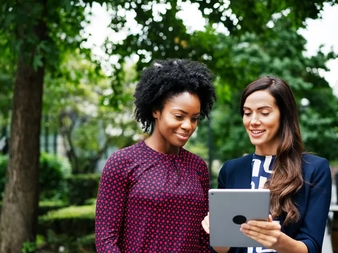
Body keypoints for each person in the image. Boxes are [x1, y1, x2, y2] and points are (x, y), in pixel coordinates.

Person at [95, 58, 217, 252]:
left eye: (194, 119)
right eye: (179, 116)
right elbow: (106, 240)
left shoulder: (198, 167)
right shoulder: (122, 162)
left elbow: (204, 238)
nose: (188, 126)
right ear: (155, 111)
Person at [202, 76, 332, 253]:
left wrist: (278, 241)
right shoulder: (231, 170)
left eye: (264, 112)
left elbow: (312, 246)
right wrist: (218, 233)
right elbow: (221, 250)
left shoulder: (314, 169)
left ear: (284, 115)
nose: (253, 121)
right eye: (247, 113)